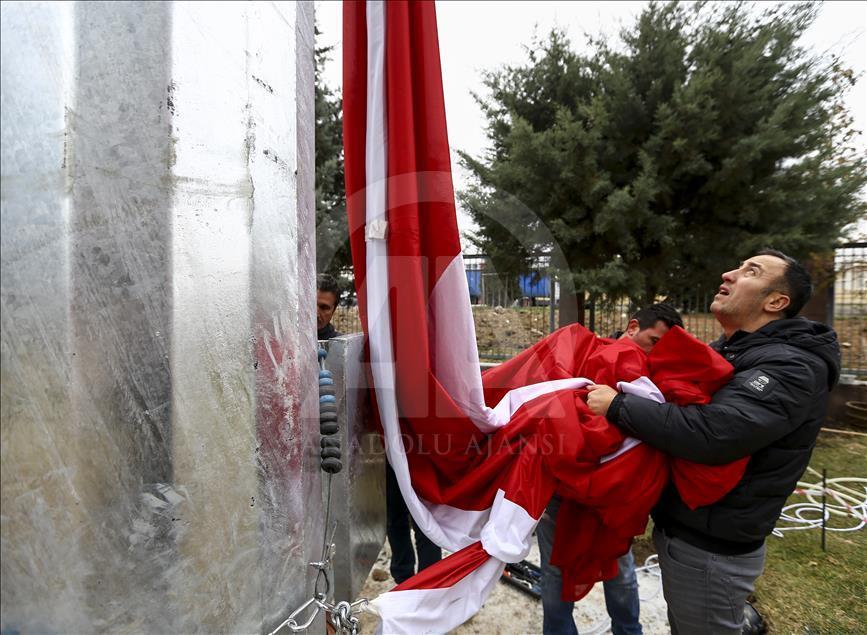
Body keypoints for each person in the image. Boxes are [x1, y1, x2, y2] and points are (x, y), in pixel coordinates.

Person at [587, 250, 840, 634]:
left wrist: (618, 406)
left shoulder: (791, 365)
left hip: (712, 547)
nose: (729, 274)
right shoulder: (734, 349)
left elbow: (713, 433)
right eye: (737, 267)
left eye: (750, 271)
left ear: (776, 302)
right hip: (689, 530)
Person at [538, 303, 684, 635]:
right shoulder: (589, 354)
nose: (656, 352)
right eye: (653, 340)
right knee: (563, 568)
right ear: (632, 327)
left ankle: (627, 630)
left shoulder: (656, 370)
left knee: (614, 565)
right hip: (569, 488)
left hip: (614, 492)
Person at [317, 273, 342, 340]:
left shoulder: (340, 345)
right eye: (311, 306)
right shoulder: (288, 339)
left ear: (333, 310)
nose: (316, 314)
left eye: (324, 307)